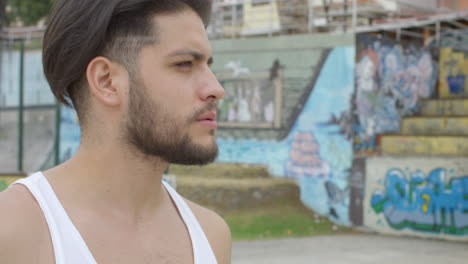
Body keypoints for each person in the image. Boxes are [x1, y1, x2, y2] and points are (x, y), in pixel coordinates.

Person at [0, 0, 231, 263]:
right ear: (106, 81)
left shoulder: (211, 236)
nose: (215, 88)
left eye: (208, 65)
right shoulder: (14, 232)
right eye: (185, 64)